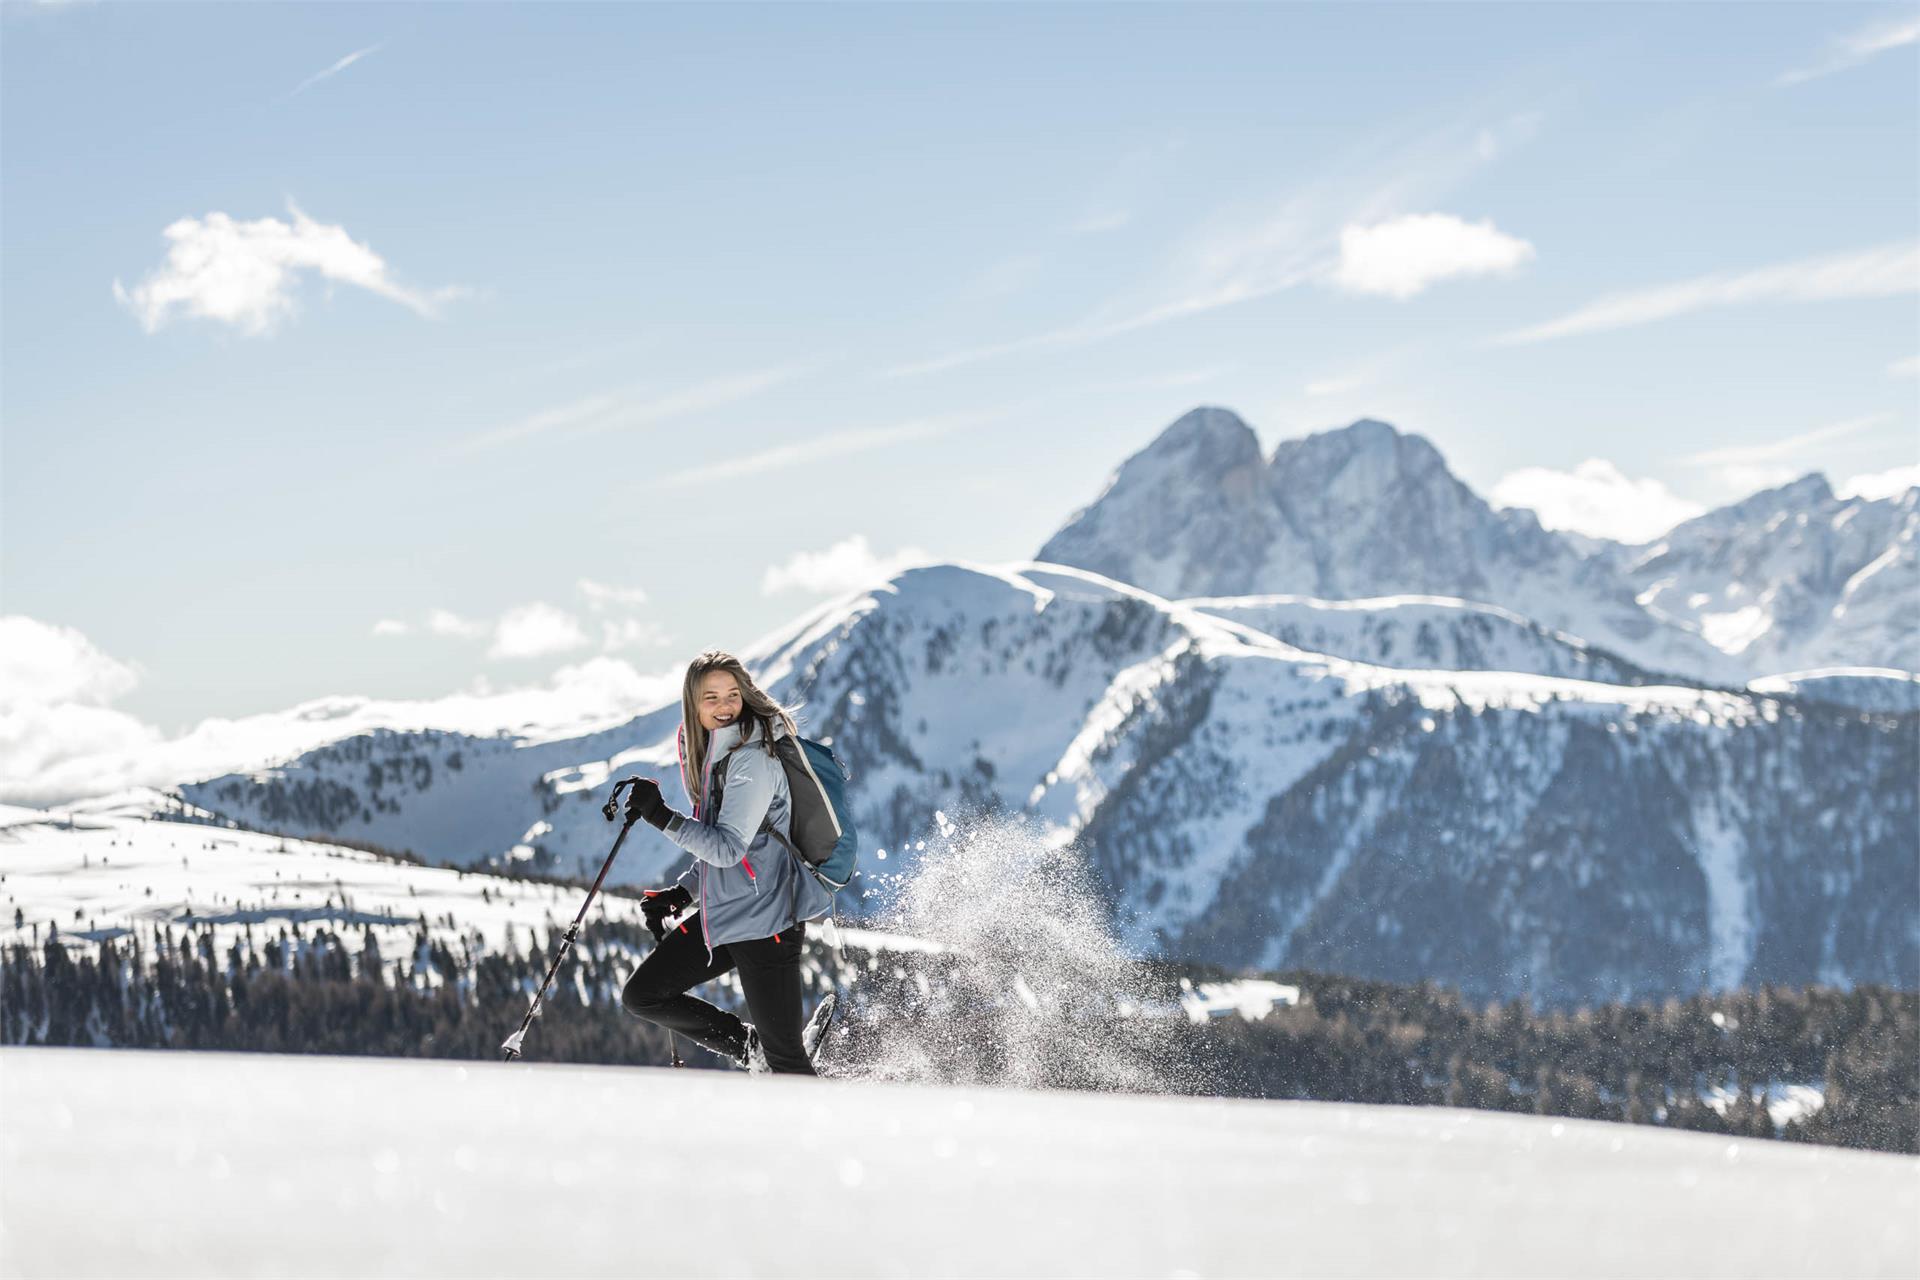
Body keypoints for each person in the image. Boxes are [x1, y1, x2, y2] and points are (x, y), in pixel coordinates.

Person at [619, 650, 834, 1075]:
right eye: (711, 697)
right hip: (726, 909)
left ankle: (835, 1131)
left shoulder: (751, 759)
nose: (724, 706)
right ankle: (750, 1047)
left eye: (732, 695)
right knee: (644, 995)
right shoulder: (718, 756)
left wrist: (661, 816)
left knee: (788, 1062)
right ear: (693, 706)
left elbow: (729, 848)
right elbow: (730, 850)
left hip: (767, 919)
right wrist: (683, 891)